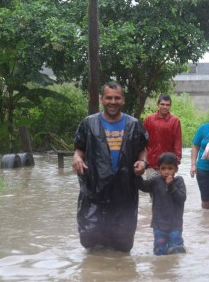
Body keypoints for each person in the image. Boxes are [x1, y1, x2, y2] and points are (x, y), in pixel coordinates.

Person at [72, 82, 149, 252]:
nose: (112, 102)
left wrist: (143, 162)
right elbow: (79, 148)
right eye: (108, 98)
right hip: (95, 191)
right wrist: (77, 158)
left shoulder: (133, 124)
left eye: (117, 98)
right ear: (101, 99)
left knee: (122, 244)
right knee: (92, 241)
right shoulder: (88, 123)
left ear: (123, 100)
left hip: (125, 191)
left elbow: (142, 149)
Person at [136, 152, 187, 255]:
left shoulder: (179, 181)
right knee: (160, 252)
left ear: (176, 169)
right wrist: (137, 175)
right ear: (158, 170)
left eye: (170, 168)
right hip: (159, 225)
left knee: (177, 250)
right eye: (163, 169)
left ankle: (174, 269)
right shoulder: (155, 180)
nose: (166, 172)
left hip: (175, 225)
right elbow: (143, 186)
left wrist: (171, 185)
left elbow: (181, 199)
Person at [143, 94, 182, 171]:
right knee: (151, 183)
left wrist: (177, 160)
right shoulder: (149, 120)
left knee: (167, 183)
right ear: (158, 104)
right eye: (162, 104)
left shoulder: (175, 121)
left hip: (168, 164)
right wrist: (143, 159)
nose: (165, 107)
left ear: (170, 106)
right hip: (151, 163)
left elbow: (178, 142)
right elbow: (143, 141)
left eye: (167, 105)